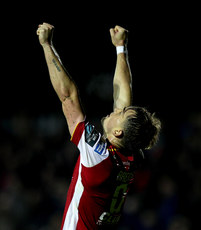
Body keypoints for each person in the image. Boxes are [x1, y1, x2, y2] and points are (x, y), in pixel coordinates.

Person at [37, 22, 161, 230]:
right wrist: (120, 48)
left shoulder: (98, 156)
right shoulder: (131, 156)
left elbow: (68, 98)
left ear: (118, 132)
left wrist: (47, 45)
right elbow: (123, 97)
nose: (115, 109)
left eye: (119, 114)